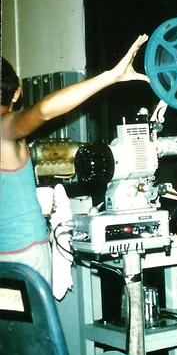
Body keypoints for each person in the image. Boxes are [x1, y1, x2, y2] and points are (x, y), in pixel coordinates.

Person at [0, 34, 150, 287]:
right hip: (22, 258)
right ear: (17, 93)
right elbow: (43, 111)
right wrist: (110, 77)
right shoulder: (5, 128)